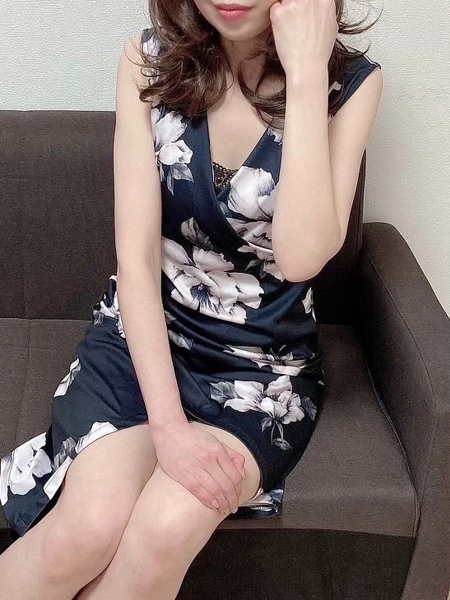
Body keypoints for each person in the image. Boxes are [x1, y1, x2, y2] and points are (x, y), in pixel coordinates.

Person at [0, 0, 383, 597]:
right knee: (84, 530)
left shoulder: (351, 84)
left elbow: (302, 258)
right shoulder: (148, 60)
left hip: (260, 368)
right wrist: (170, 430)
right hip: (142, 336)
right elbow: (136, 260)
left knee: (162, 530)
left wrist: (307, 78)